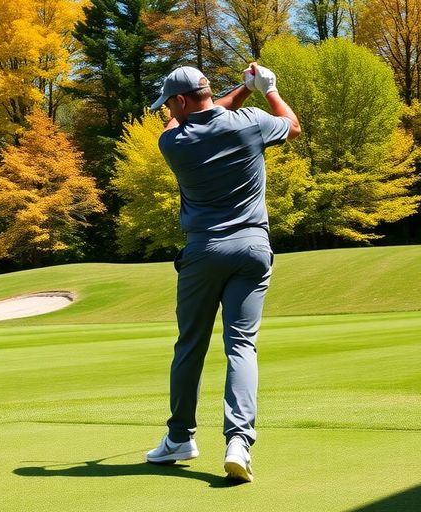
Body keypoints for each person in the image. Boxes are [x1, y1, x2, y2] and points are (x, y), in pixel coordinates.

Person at [144, 63, 300, 482]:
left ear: (179, 101)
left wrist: (242, 89)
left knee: (190, 345)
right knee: (241, 346)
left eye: (168, 104)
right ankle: (239, 443)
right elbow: (291, 125)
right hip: (252, 249)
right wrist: (265, 89)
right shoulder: (249, 125)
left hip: (202, 252)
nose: (167, 112)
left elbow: (203, 114)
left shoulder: (172, 142)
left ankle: (179, 438)